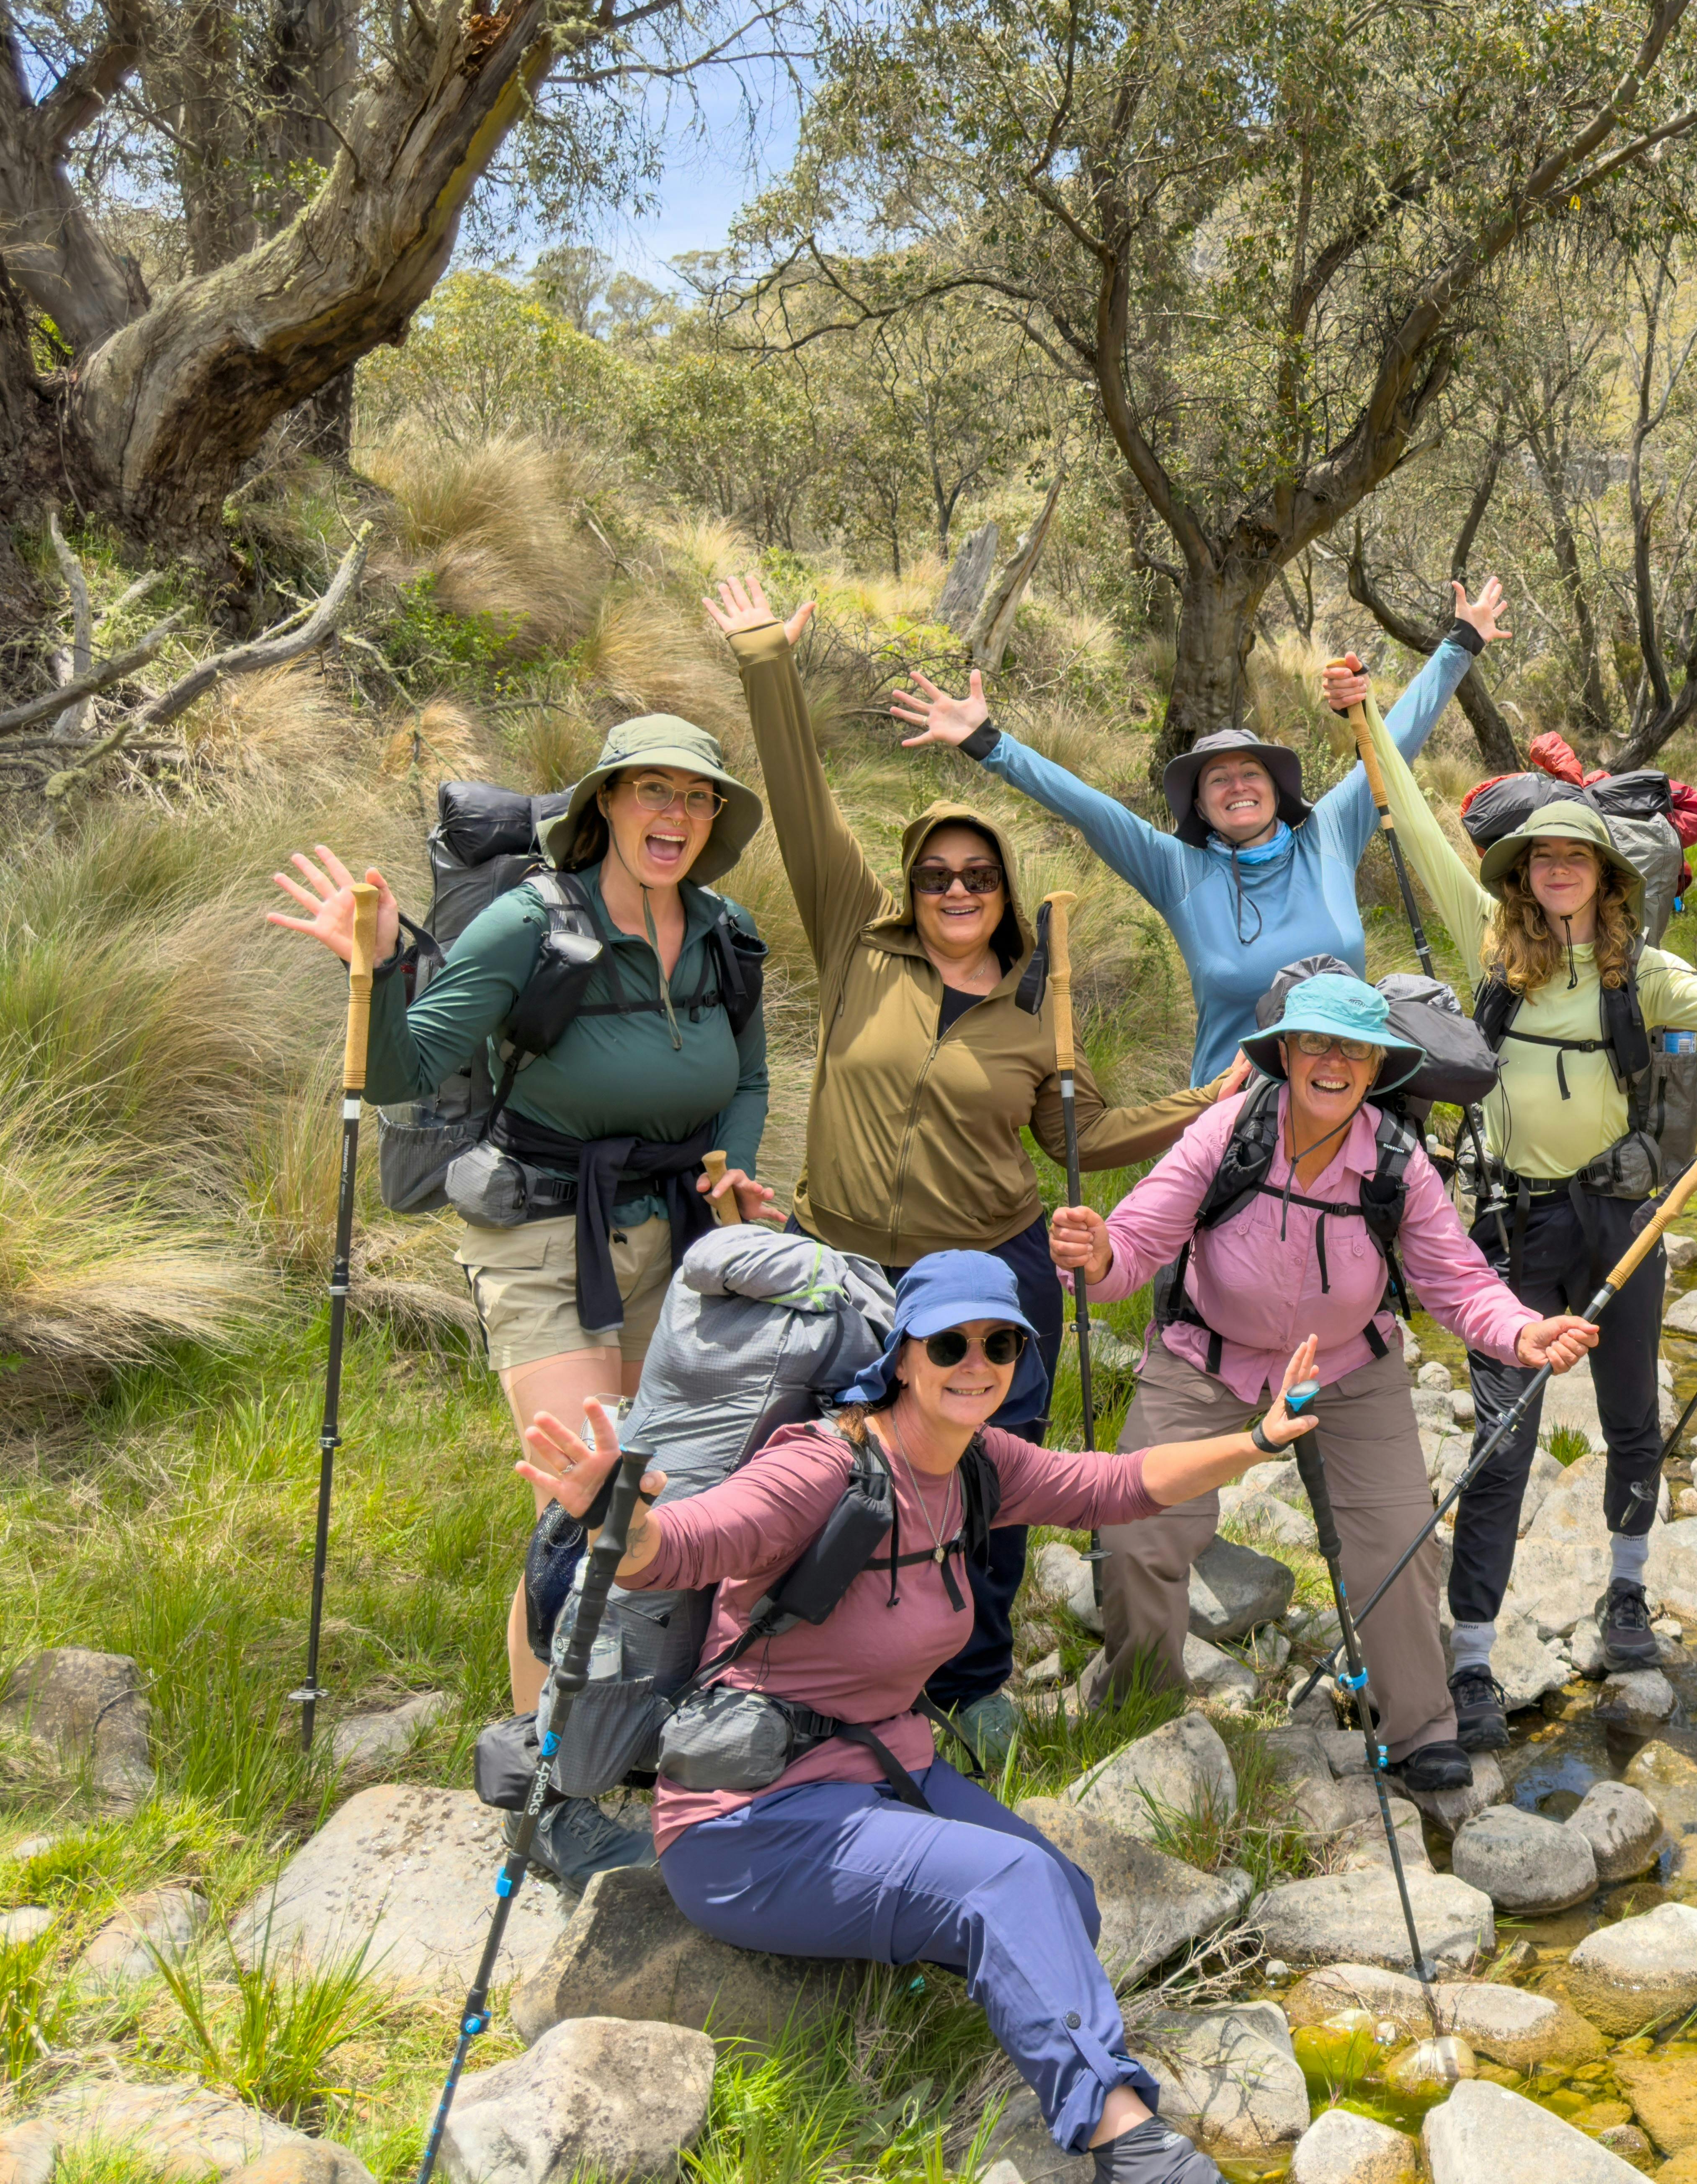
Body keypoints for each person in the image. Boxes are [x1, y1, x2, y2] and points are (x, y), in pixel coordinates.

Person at [514, 1252, 1306, 2184]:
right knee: (1009, 1887)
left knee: (1067, 1900)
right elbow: (697, 1540)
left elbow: (1115, 1485)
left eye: (1001, 1343)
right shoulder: (824, 1466)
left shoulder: (979, 1467)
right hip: (749, 1820)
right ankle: (1125, 2140)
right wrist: (626, 1524)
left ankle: (976, 2009)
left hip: (881, 1782)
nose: (977, 1362)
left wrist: (1257, 1440)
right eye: (950, 1343)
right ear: (901, 1356)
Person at [1323, 657, 1697, 1745]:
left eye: (1577, 855)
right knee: (1503, 1443)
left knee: (1633, 1424)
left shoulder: (1640, 974)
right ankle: (1471, 1657)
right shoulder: (1485, 941)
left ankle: (1629, 1597)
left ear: (1607, 873)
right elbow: (1413, 823)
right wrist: (1368, 716)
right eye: (1542, 856)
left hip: (1624, 1217)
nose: (1558, 869)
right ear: (1520, 873)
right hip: (1509, 1223)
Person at [705, 574, 1244, 1753]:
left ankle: (976, 1674)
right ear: (912, 887)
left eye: (978, 877)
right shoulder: (861, 943)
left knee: (986, 1480)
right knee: (816, 1463)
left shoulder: (1032, 1017)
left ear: (1003, 896)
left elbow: (1080, 1143)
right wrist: (766, 667)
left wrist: (1214, 1100)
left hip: (985, 1272)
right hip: (842, 1262)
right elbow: (801, 807)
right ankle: (798, 1669)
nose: (956, 890)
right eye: (937, 875)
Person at [266, 715, 771, 1711]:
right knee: (582, 1507)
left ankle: (630, 1733)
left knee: (661, 1495)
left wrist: (734, 1172)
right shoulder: (528, 923)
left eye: (696, 795)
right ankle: (546, 1770)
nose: (674, 814)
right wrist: (372, 966)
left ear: (714, 818)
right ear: (607, 806)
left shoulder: (728, 933)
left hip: (675, 1237)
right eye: (652, 791)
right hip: (544, 1233)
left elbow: (748, 1077)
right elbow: (413, 1067)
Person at [1045, 972, 1600, 1791]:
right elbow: (1135, 1244)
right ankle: (1143, 1706)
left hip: (1349, 1368)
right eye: (1317, 1043)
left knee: (1398, 1543)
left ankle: (1419, 1729)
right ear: (1287, 1053)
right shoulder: (1225, 1133)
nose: (1333, 1062)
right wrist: (1096, 1257)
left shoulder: (1398, 1163)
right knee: (1138, 1528)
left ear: (1377, 1068)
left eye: (1353, 1049)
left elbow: (1456, 1280)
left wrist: (1523, 1331)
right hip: (1209, 1356)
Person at [884, 583, 1511, 1082]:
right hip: (1228, 1117)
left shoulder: (1327, 836)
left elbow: (1392, 741)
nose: (1237, 785)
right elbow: (1090, 808)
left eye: (1250, 772)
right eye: (1217, 781)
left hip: (1347, 1096)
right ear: (1201, 809)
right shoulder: (1178, 870)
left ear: (1277, 788)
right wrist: (988, 743)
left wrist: (1461, 642)